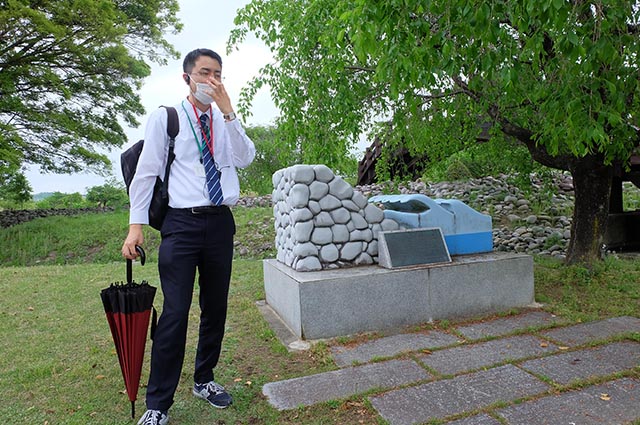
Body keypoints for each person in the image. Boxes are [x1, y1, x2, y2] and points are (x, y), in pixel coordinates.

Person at [122, 48, 256, 425]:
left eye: (217, 74)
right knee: (176, 312)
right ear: (187, 78)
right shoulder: (167, 118)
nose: (211, 81)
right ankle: (158, 404)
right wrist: (136, 227)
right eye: (204, 73)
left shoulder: (223, 118)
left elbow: (245, 158)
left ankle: (204, 378)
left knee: (216, 307)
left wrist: (229, 112)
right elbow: (146, 173)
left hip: (220, 223)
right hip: (180, 225)